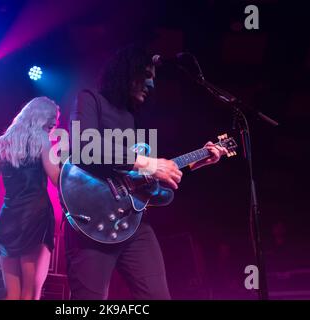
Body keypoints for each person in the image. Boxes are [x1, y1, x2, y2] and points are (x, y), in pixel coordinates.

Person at [65, 45, 228, 300]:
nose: (151, 84)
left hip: (134, 225)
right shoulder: (90, 98)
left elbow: (146, 180)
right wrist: (150, 164)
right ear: (128, 72)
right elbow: (85, 146)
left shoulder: (132, 118)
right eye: (147, 75)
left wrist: (198, 162)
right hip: (91, 222)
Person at [0, 97, 60, 300]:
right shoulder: (41, 138)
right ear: (43, 119)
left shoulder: (3, 143)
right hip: (35, 218)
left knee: (13, 293)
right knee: (31, 293)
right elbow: (55, 178)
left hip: (8, 221)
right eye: (52, 123)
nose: (52, 128)